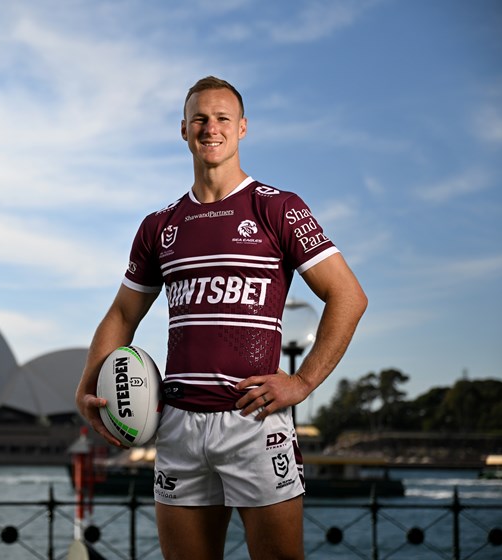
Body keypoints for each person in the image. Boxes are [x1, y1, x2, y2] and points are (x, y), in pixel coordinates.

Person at [75, 76, 368, 560]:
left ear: (243, 128)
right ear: (184, 129)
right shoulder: (160, 225)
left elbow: (348, 297)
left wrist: (302, 382)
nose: (211, 128)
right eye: (200, 119)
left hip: (254, 421)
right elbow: (124, 312)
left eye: (222, 118)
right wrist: (88, 382)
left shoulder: (277, 208)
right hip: (176, 426)